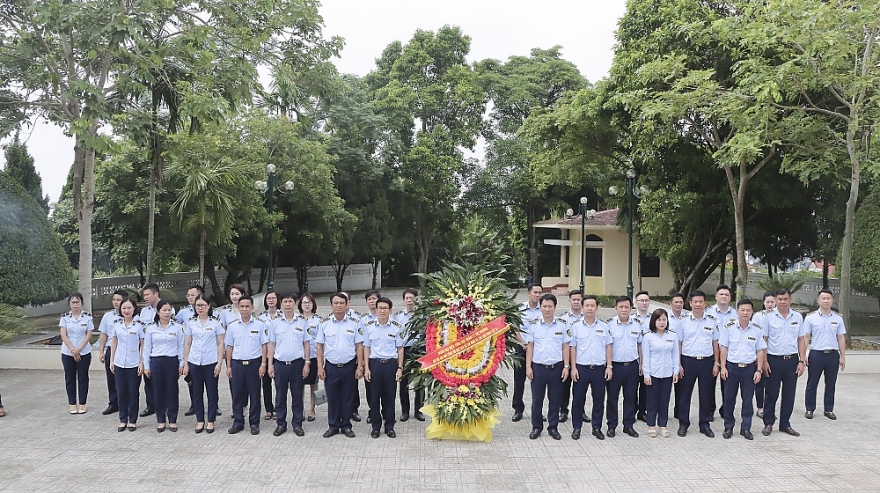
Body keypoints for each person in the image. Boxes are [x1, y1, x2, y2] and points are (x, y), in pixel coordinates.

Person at [317, 293, 364, 438]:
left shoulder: (354, 323)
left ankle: (346, 426)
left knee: (347, 397)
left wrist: (360, 366)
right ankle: (333, 425)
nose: (338, 306)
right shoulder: (324, 323)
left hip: (349, 366)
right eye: (335, 303)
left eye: (341, 303)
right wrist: (320, 366)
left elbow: (359, 346)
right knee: (332, 397)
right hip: (331, 366)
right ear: (331, 305)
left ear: (347, 304)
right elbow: (319, 346)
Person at [719, 299, 767, 440]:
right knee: (729, 399)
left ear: (752, 312)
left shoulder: (757, 329)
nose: (745, 312)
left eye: (748, 310)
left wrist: (759, 370)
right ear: (737, 311)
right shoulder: (728, 327)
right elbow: (724, 348)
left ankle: (746, 428)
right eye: (742, 310)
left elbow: (760, 351)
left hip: (749, 369)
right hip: (732, 368)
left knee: (747, 400)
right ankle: (728, 427)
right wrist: (723, 367)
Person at [760, 287, 805, 437]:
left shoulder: (797, 317)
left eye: (785, 299)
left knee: (789, 394)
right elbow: (763, 340)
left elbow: (801, 340)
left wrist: (802, 361)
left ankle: (785, 424)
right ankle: (768, 422)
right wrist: (764, 361)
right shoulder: (768, 317)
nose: (782, 302)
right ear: (776, 300)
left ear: (790, 299)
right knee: (771, 393)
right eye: (779, 299)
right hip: (773, 360)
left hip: (792, 360)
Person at [525, 293, 570, 440]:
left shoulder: (563, 324)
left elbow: (565, 347)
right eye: (544, 306)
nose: (547, 309)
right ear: (540, 307)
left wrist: (566, 366)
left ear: (555, 307)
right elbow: (530, 346)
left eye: (550, 306)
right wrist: (528, 367)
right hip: (538, 368)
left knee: (555, 399)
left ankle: (553, 427)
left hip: (556, 368)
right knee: (537, 400)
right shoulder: (534, 324)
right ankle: (536, 427)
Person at [676, 290, 720, 438]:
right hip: (688, 361)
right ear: (690, 303)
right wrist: (679, 364)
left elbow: (715, 344)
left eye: (701, 301)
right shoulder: (683, 322)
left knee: (706, 394)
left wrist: (716, 363)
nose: (698, 304)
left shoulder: (712, 321)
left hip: (707, 361)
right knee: (684, 394)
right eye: (695, 302)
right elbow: (679, 344)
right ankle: (683, 423)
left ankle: (704, 424)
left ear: (705, 303)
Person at [569, 294, 612, 440]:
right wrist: (573, 368)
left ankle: (597, 427)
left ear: (597, 308)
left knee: (599, 400)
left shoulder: (604, 326)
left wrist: (609, 366)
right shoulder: (575, 327)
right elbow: (572, 348)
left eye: (592, 305)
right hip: (581, 369)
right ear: (582, 307)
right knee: (578, 400)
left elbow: (608, 347)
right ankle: (576, 427)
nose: (589, 308)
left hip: (599, 369)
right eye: (587, 305)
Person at [267, 292, 310, 437]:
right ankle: (281, 424)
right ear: (281, 303)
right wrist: (270, 364)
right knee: (280, 396)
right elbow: (271, 344)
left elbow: (306, 343)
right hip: (280, 365)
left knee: (297, 396)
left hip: (297, 364)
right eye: (285, 301)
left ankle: (297, 424)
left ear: (294, 303)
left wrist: (307, 363)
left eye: (290, 301)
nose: (287, 304)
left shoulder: (302, 322)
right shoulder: (275, 323)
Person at [224, 295, 269, 435]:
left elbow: (264, 346)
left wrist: (263, 364)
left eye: (247, 306)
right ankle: (238, 422)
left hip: (254, 364)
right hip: (237, 365)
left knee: (255, 395)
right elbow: (229, 348)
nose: (244, 309)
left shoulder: (260, 325)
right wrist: (229, 366)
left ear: (252, 308)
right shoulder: (232, 326)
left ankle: (254, 423)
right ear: (238, 308)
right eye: (241, 306)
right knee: (237, 395)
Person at [182, 294, 224, 434]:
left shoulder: (215, 322)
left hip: (211, 362)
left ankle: (211, 421)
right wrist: (186, 364)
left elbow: (220, 344)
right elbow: (187, 344)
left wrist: (219, 363)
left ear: (209, 306)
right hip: (194, 362)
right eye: (198, 305)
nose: (200, 308)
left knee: (212, 393)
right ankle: (200, 420)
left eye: (203, 305)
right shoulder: (191, 322)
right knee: (197, 392)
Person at [364, 296, 405, 438]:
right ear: (376, 309)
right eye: (379, 308)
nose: (382, 310)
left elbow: (400, 348)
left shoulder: (397, 326)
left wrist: (400, 368)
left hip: (390, 365)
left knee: (389, 397)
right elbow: (366, 348)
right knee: (374, 398)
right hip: (374, 365)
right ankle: (376, 427)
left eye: (385, 308)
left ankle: (389, 426)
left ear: (390, 310)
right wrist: (366, 368)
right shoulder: (369, 326)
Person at [804, 289, 847, 421]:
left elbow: (841, 338)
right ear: (818, 300)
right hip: (816, 354)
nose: (826, 301)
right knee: (812, 382)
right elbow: (806, 336)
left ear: (832, 300)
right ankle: (810, 408)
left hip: (832, 355)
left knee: (831, 383)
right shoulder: (810, 318)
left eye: (828, 298)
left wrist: (843, 357)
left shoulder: (838, 318)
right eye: (823, 298)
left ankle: (829, 409)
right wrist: (803, 354)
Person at [142, 300, 185, 432]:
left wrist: (182, 363)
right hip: (156, 361)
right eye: (164, 310)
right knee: (158, 391)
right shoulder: (151, 328)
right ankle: (160, 420)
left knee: (172, 391)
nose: (167, 313)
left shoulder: (177, 327)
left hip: (172, 361)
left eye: (169, 310)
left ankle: (172, 419)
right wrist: (146, 366)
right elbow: (147, 348)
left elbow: (181, 346)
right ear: (158, 312)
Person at [605, 295, 642, 438]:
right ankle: (612, 425)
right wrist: (608, 366)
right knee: (612, 398)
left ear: (631, 308)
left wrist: (641, 364)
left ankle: (628, 425)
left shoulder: (637, 324)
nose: (624, 309)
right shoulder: (609, 325)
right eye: (621, 307)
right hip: (615, 366)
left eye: (627, 307)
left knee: (631, 397)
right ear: (616, 308)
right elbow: (606, 346)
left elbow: (640, 345)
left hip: (632, 366)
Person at [137, 283, 175, 417]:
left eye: (148, 294)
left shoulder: (167, 308)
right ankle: (151, 405)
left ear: (156, 294)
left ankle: (166, 405)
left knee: (166, 383)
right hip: (149, 348)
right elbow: (142, 330)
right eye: (144, 295)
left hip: (166, 350)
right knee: (148, 379)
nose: (145, 297)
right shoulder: (144, 311)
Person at [642, 308, 679, 438]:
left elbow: (675, 355)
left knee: (664, 400)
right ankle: (651, 424)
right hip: (653, 373)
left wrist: (676, 371)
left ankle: (663, 424)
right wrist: (646, 374)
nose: (662, 322)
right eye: (659, 319)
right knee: (652, 400)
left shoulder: (672, 336)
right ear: (654, 321)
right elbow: (645, 356)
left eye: (664, 319)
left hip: (667, 373)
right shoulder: (648, 337)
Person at [109, 298, 144, 431]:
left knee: (133, 392)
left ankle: (133, 420)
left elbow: (143, 344)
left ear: (134, 308)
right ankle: (123, 419)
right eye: (124, 308)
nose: (126, 310)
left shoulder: (140, 325)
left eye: (129, 308)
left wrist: (142, 362)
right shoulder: (117, 324)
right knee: (121, 392)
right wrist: (111, 360)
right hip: (119, 362)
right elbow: (114, 342)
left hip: (134, 363)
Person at [59, 292, 93, 414]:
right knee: (70, 378)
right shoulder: (65, 317)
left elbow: (88, 334)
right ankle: (72, 404)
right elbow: (63, 335)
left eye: (77, 302)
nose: (75, 304)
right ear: (69, 304)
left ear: (81, 303)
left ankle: (82, 403)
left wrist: (79, 349)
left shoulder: (87, 317)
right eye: (73, 302)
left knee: (83, 378)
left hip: (84, 352)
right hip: (68, 353)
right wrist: (73, 350)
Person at [512, 283, 542, 423]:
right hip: (521, 348)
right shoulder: (520, 309)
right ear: (529, 293)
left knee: (538, 382)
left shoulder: (544, 309)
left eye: (539, 292)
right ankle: (518, 409)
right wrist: (523, 343)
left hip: (538, 350)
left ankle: (537, 410)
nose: (537, 295)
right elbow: (514, 328)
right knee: (519, 380)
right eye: (535, 292)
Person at [707, 284, 736, 421]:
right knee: (709, 384)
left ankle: (726, 409)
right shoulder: (708, 312)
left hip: (729, 355)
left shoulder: (736, 314)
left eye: (727, 294)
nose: (724, 296)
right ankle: (710, 410)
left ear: (730, 297)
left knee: (728, 385)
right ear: (716, 296)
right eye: (721, 294)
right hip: (711, 353)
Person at [395, 288, 424, 422]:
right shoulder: (398, 316)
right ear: (404, 300)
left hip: (420, 350)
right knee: (404, 382)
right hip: (405, 351)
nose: (409, 300)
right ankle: (405, 411)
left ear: (416, 300)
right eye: (406, 298)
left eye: (411, 298)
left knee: (420, 382)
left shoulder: (423, 316)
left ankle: (419, 410)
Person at [558, 289, 586, 424]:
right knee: (564, 386)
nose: (576, 302)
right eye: (573, 299)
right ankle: (563, 410)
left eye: (579, 299)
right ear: (569, 301)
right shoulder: (563, 318)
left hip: (581, 358)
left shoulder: (586, 316)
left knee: (580, 387)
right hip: (566, 357)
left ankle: (581, 411)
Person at [98, 289, 127, 415]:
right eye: (114, 299)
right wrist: (101, 351)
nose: (116, 302)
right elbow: (103, 334)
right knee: (111, 378)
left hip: (126, 350)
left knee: (126, 379)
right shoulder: (108, 316)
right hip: (111, 349)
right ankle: (114, 403)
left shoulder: (132, 316)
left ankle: (127, 403)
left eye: (118, 300)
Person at [178, 285, 204, 418]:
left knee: (210, 382)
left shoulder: (211, 312)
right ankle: (195, 404)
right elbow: (175, 324)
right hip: (190, 350)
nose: (189, 298)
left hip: (206, 352)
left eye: (192, 295)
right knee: (191, 380)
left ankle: (214, 406)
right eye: (188, 295)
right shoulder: (183, 312)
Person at [356, 290, 381, 424]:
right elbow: (360, 342)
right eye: (369, 299)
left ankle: (386, 413)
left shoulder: (386, 316)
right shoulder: (362, 320)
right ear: (366, 302)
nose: (372, 301)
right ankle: (373, 412)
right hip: (369, 359)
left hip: (384, 358)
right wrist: (362, 363)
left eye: (374, 298)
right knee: (370, 388)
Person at [258, 290, 281, 421]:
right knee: (266, 383)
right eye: (268, 298)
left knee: (279, 383)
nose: (271, 300)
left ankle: (278, 409)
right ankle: (268, 409)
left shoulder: (283, 316)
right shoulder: (261, 318)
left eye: (273, 298)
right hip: (265, 354)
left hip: (278, 354)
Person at [298, 293, 321, 423]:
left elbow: (321, 342)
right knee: (299, 385)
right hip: (299, 357)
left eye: (309, 302)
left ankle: (312, 409)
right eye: (304, 302)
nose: (307, 305)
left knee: (314, 385)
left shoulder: (319, 320)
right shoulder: (296, 319)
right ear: (300, 305)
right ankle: (300, 409)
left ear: (313, 304)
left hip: (313, 356)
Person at [752, 291, 776, 419]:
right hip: (760, 352)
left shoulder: (778, 316)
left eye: (772, 302)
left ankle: (769, 409)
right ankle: (760, 407)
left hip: (774, 353)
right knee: (760, 382)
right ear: (763, 302)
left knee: (772, 383)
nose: (770, 304)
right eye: (768, 302)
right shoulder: (757, 316)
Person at [667, 292, 689, 419]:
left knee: (681, 386)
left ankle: (679, 410)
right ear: (670, 304)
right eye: (676, 302)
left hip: (680, 355)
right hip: (665, 355)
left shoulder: (687, 318)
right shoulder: (665, 318)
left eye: (681, 302)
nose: (679, 304)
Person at [633, 291, 652, 422]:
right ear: (636, 303)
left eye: (646, 300)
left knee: (645, 387)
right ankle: (632, 410)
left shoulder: (654, 319)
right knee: (632, 387)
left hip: (651, 359)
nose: (644, 303)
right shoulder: (631, 320)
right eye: (641, 300)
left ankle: (642, 410)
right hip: (635, 359)